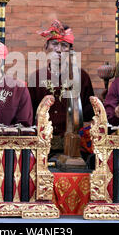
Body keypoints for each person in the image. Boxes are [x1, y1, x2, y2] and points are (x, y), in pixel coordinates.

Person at [28, 20, 95, 154]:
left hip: (75, 149)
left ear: (70, 51)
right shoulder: (35, 77)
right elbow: (29, 115)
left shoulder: (81, 77)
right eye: (54, 44)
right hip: (42, 146)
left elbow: (89, 115)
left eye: (64, 45)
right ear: (45, 47)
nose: (58, 50)